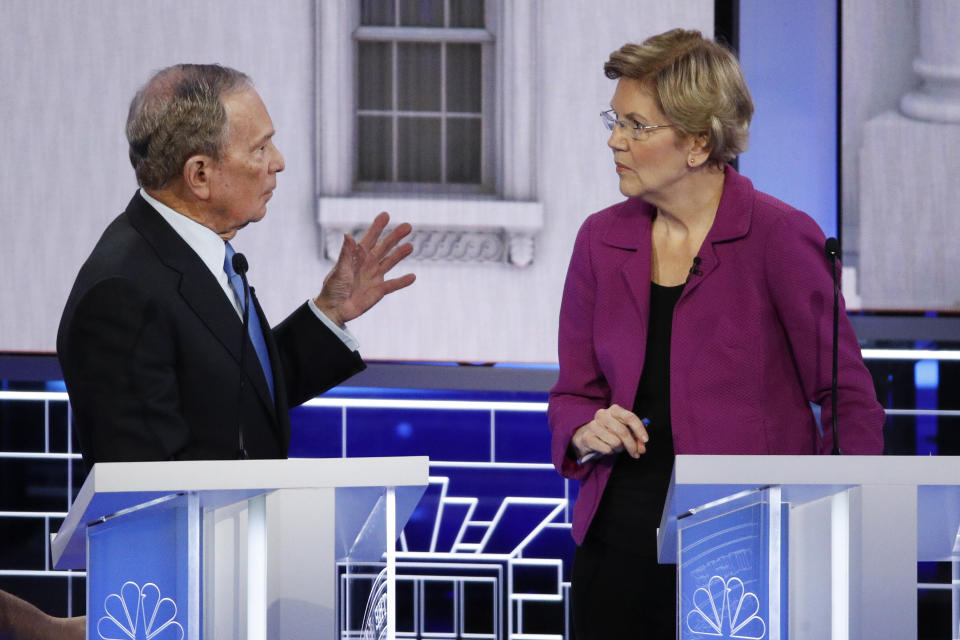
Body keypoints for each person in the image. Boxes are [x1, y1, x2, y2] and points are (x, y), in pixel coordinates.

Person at [547, 29, 885, 638]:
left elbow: (848, 398)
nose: (614, 140)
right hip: (619, 540)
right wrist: (581, 429)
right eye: (614, 120)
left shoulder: (779, 237)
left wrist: (839, 527)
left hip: (746, 543)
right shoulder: (601, 239)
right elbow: (575, 391)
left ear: (698, 143)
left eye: (637, 126)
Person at [57, 64, 415, 469]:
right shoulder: (122, 295)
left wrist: (329, 313)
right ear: (200, 175)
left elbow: (232, 393)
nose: (277, 162)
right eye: (260, 149)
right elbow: (147, 490)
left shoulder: (189, 250)